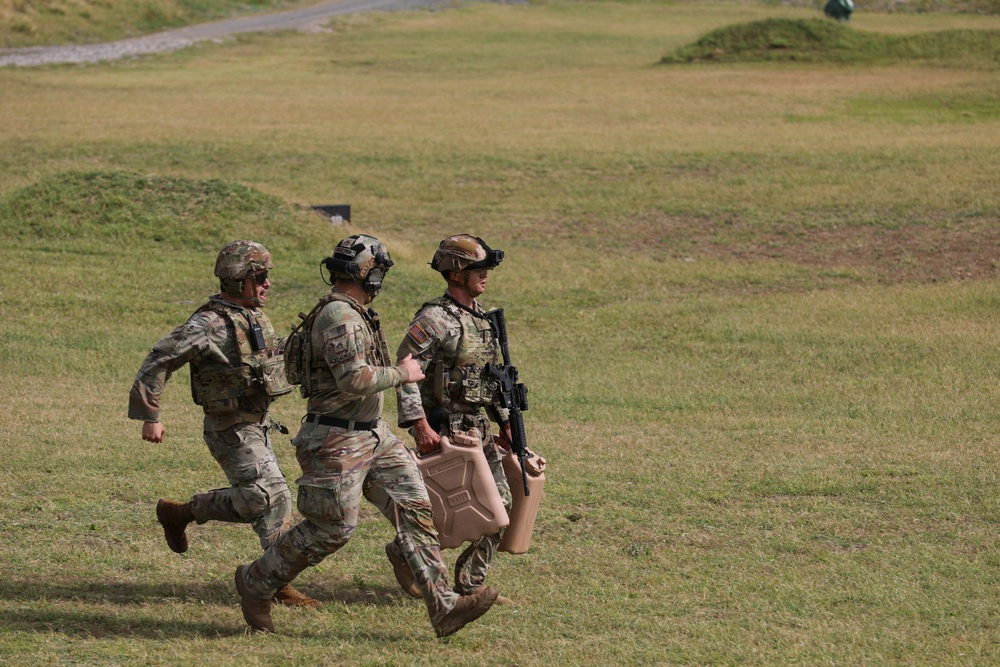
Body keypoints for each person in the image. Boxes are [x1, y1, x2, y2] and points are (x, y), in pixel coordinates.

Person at [234, 234, 498, 636]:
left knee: (417, 511)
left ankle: (445, 606)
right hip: (336, 440)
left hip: (374, 435)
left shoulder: (356, 311)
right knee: (332, 528)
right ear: (366, 274)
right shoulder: (340, 315)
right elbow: (354, 377)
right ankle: (256, 581)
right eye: (379, 272)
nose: (381, 280)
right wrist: (403, 374)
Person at [128, 239, 318, 608]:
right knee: (273, 494)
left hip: (257, 424)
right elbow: (160, 358)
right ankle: (274, 583)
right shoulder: (208, 323)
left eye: (266, 277)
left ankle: (180, 513)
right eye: (260, 277)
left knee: (258, 501)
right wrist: (150, 416)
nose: (267, 284)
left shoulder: (254, 315)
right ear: (238, 278)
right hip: (228, 426)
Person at [394, 234, 513, 601]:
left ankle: (469, 583)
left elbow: (493, 380)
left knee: (502, 504)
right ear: (456, 272)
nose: (486, 274)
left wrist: (505, 421)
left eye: (487, 268)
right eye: (479, 268)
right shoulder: (434, 319)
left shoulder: (483, 319)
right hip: (444, 429)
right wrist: (420, 426)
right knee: (445, 510)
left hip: (478, 428)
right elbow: (405, 371)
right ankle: (406, 555)